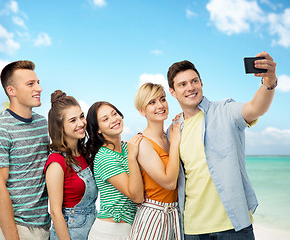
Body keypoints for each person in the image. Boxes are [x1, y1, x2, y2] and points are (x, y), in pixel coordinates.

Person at [166, 51, 278, 240]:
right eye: (182, 84)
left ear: (201, 83)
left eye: (194, 81)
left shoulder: (225, 110)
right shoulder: (173, 131)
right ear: (172, 92)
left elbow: (256, 108)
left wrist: (269, 82)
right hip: (192, 230)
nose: (190, 87)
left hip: (233, 227)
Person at [0, 60, 50, 240]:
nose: (39, 88)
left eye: (38, 82)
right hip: (10, 228)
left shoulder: (42, 123)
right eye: (30, 84)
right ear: (11, 91)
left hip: (42, 227)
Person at [129, 82, 182, 240]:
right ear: (141, 111)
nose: (160, 105)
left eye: (162, 99)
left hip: (173, 215)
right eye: (152, 102)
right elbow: (169, 182)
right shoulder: (143, 143)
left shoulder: (167, 136)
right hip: (154, 217)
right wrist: (176, 142)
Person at [86, 101, 144, 240]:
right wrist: (132, 157)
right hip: (110, 232)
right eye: (105, 119)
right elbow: (136, 197)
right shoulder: (104, 157)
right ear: (98, 129)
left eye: (114, 114)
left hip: (130, 228)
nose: (114, 119)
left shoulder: (126, 148)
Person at [45, 90, 97, 240]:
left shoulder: (84, 153)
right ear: (60, 126)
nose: (81, 123)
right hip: (69, 234)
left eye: (81, 116)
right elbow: (55, 212)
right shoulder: (56, 162)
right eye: (72, 120)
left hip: (91, 230)